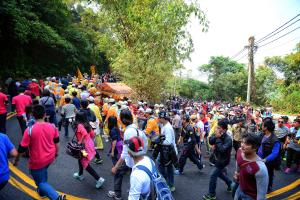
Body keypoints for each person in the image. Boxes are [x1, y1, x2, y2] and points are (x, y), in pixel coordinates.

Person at [13, 105, 66, 200]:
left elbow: (21, 149)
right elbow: (57, 143)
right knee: (43, 174)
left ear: (33, 115)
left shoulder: (29, 130)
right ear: (45, 115)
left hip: (38, 161)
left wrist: (16, 161)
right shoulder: (53, 127)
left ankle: (57, 197)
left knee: (40, 183)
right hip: (50, 157)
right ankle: (42, 192)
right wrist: (56, 154)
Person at [109, 109, 148, 200]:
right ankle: (133, 190)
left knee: (118, 173)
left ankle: (118, 195)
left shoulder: (129, 132)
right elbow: (145, 144)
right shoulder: (136, 128)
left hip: (131, 160)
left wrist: (116, 166)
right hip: (139, 158)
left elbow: (125, 153)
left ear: (122, 120)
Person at [72, 111, 105, 189]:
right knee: (80, 158)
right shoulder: (87, 124)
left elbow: (84, 134)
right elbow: (92, 134)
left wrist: (80, 141)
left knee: (84, 163)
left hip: (83, 147)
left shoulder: (79, 125)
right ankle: (80, 174)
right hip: (89, 144)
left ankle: (98, 179)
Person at [203, 119, 233, 200]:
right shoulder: (217, 134)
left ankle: (212, 194)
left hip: (223, 161)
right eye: (217, 127)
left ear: (224, 129)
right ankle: (230, 184)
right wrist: (216, 137)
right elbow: (210, 141)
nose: (217, 129)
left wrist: (218, 139)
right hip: (216, 159)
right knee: (219, 174)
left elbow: (222, 150)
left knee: (213, 175)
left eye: (219, 128)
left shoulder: (228, 139)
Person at [234, 134, 269, 200]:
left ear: (255, 147)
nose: (242, 145)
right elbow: (238, 162)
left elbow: (261, 193)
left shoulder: (260, 168)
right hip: (239, 189)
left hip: (250, 196)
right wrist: (237, 172)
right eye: (242, 142)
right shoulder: (239, 151)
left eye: (247, 144)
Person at [154, 111, 178, 192]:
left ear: (163, 118)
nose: (158, 119)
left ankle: (170, 185)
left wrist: (158, 141)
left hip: (169, 152)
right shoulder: (164, 125)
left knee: (168, 168)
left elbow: (168, 141)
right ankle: (166, 182)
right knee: (162, 165)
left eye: (159, 118)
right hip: (165, 151)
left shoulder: (167, 127)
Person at [257, 120, 280, 193]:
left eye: (263, 125)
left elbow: (275, 153)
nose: (261, 126)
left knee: (269, 175)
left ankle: (268, 188)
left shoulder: (275, 140)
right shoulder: (262, 134)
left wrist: (265, 160)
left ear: (266, 127)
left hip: (268, 162)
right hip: (260, 159)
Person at [107, 116, 123, 200]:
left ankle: (117, 194)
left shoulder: (112, 130)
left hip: (116, 149)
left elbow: (114, 141)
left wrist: (112, 151)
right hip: (120, 148)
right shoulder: (116, 128)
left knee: (117, 170)